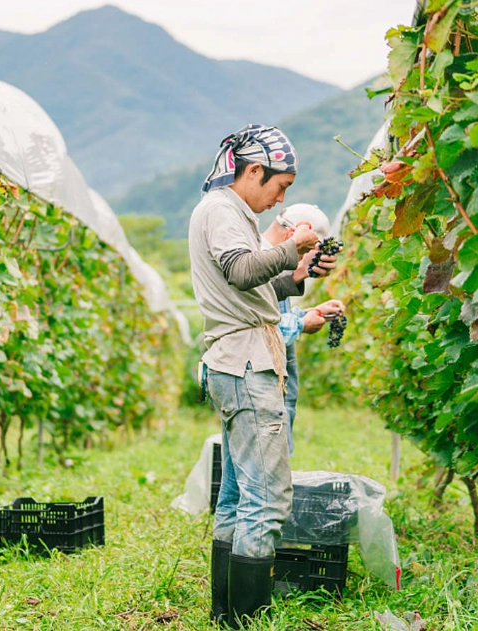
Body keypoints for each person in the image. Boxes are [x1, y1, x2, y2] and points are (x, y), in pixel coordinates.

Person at [189, 124, 319, 627]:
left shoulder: (231, 213)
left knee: (238, 494)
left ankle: (226, 613)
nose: (280, 199)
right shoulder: (222, 210)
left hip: (237, 361)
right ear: (254, 171)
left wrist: (297, 273)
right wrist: (293, 246)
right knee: (267, 498)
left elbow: (250, 287)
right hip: (246, 365)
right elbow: (243, 271)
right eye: (280, 187)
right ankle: (247, 619)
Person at [261, 204, 345, 455]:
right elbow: (259, 329)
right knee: (269, 460)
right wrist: (301, 324)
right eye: (309, 250)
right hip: (265, 385)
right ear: (294, 234)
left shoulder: (274, 261)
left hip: (279, 386)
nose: (309, 257)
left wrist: (310, 312)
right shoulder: (260, 260)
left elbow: (274, 313)